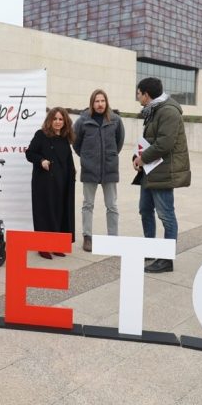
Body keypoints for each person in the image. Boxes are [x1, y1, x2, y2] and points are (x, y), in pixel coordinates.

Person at [132, 77, 190, 273]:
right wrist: (137, 156)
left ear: (146, 94)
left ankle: (166, 259)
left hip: (163, 172)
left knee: (166, 216)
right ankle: (150, 249)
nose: (138, 97)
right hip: (151, 171)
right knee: (145, 210)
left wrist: (143, 158)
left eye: (138, 94)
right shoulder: (154, 110)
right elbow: (150, 139)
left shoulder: (168, 111)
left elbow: (164, 144)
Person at [73, 89, 124, 251]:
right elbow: (75, 142)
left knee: (112, 205)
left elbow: (119, 142)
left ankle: (113, 238)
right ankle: (87, 237)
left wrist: (110, 155)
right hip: (89, 169)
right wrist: (86, 157)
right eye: (97, 101)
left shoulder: (115, 120)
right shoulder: (83, 120)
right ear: (92, 103)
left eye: (102, 101)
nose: (100, 104)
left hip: (109, 169)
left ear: (106, 102)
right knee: (88, 204)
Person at [26, 107, 76, 260]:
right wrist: (41, 161)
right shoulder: (41, 135)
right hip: (44, 181)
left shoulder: (65, 138)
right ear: (50, 120)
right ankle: (43, 246)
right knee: (44, 212)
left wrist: (72, 173)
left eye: (61, 119)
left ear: (65, 121)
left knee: (59, 212)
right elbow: (30, 153)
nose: (58, 122)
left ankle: (56, 245)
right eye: (55, 119)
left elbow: (67, 159)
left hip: (62, 181)